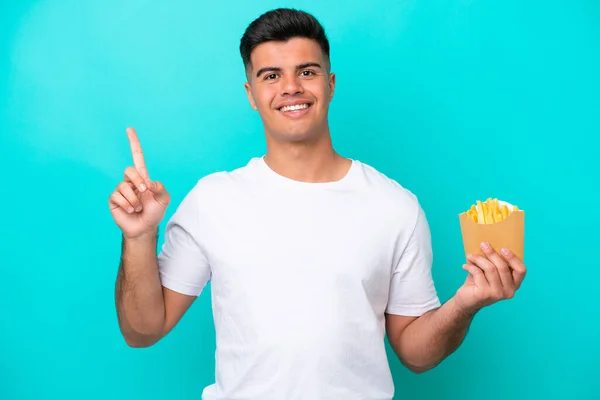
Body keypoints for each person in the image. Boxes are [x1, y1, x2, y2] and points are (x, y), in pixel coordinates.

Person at [109, 8, 527, 400]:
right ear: (251, 93)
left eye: (306, 72)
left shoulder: (394, 206)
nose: (290, 87)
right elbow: (142, 330)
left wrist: (465, 303)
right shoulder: (213, 199)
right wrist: (141, 237)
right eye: (271, 75)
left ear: (329, 84)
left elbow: (416, 354)